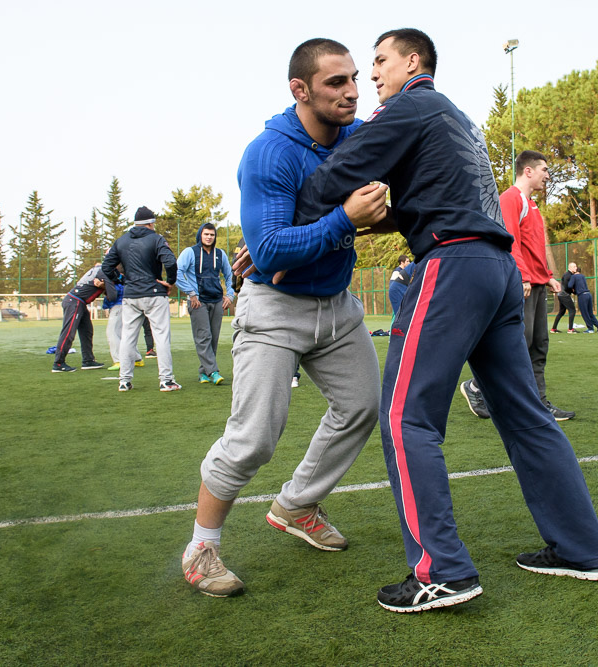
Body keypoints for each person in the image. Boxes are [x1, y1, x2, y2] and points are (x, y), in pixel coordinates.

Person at [296, 28, 598, 613]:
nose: (371, 76)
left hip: (455, 265)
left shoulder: (410, 104)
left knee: (403, 418)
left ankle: (442, 571)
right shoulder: (457, 118)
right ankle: (582, 549)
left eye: (379, 62)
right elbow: (424, 202)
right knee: (526, 416)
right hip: (497, 271)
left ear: (413, 62)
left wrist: (285, 217)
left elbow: (327, 180)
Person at [180, 38, 385, 598]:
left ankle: (296, 504)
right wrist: (345, 218)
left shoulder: (358, 138)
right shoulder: (270, 152)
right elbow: (267, 251)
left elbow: (385, 211)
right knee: (254, 439)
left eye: (353, 79)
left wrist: (358, 220)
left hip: (338, 308)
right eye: (335, 83)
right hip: (274, 309)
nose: (351, 92)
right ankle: (201, 547)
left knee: (364, 405)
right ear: (300, 90)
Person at [458, 150, 575, 422]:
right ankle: (476, 387)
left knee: (538, 344)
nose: (548, 175)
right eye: (544, 169)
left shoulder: (532, 206)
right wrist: (521, 276)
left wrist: (547, 276)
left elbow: (533, 247)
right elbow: (509, 240)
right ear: (529, 171)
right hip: (520, 283)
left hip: (536, 284)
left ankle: (539, 403)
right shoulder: (510, 199)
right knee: (516, 345)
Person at [101, 206, 180, 392]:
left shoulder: (121, 241)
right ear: (150, 223)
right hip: (154, 294)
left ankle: (124, 381)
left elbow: (106, 267)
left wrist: (120, 280)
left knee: (128, 338)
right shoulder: (156, 239)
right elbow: (170, 262)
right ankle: (166, 380)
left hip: (130, 296)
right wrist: (169, 282)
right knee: (161, 337)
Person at [176, 223, 236, 385]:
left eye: (212, 234)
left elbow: (230, 274)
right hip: (198, 302)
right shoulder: (190, 252)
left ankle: (204, 372)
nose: (209, 237)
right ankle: (214, 372)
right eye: (206, 234)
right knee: (204, 337)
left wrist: (229, 295)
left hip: (217, 300)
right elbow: (177, 272)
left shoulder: (220, 254)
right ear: (200, 235)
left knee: (213, 339)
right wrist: (191, 293)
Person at [51, 263, 107, 373]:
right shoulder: (103, 270)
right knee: (68, 332)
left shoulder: (99, 268)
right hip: (75, 301)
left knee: (87, 331)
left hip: (79, 302)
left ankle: (88, 360)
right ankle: (58, 363)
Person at [101, 270, 144, 371]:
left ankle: (119, 360)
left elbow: (116, 292)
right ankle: (137, 358)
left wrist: (104, 286)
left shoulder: (117, 276)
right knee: (124, 333)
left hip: (119, 305)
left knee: (113, 332)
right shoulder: (123, 276)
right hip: (125, 304)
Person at [569, 262, 598, 333]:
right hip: (588, 294)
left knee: (584, 313)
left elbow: (569, 285)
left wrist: (573, 290)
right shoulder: (583, 276)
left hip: (582, 296)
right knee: (590, 312)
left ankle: (590, 329)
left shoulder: (574, 276)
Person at [550, 267, 577, 333]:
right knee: (572, 310)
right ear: (571, 268)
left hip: (561, 295)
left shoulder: (567, 275)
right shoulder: (568, 275)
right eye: (575, 266)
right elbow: (567, 286)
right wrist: (574, 291)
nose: (576, 268)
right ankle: (570, 329)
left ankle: (553, 329)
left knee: (561, 312)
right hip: (564, 295)